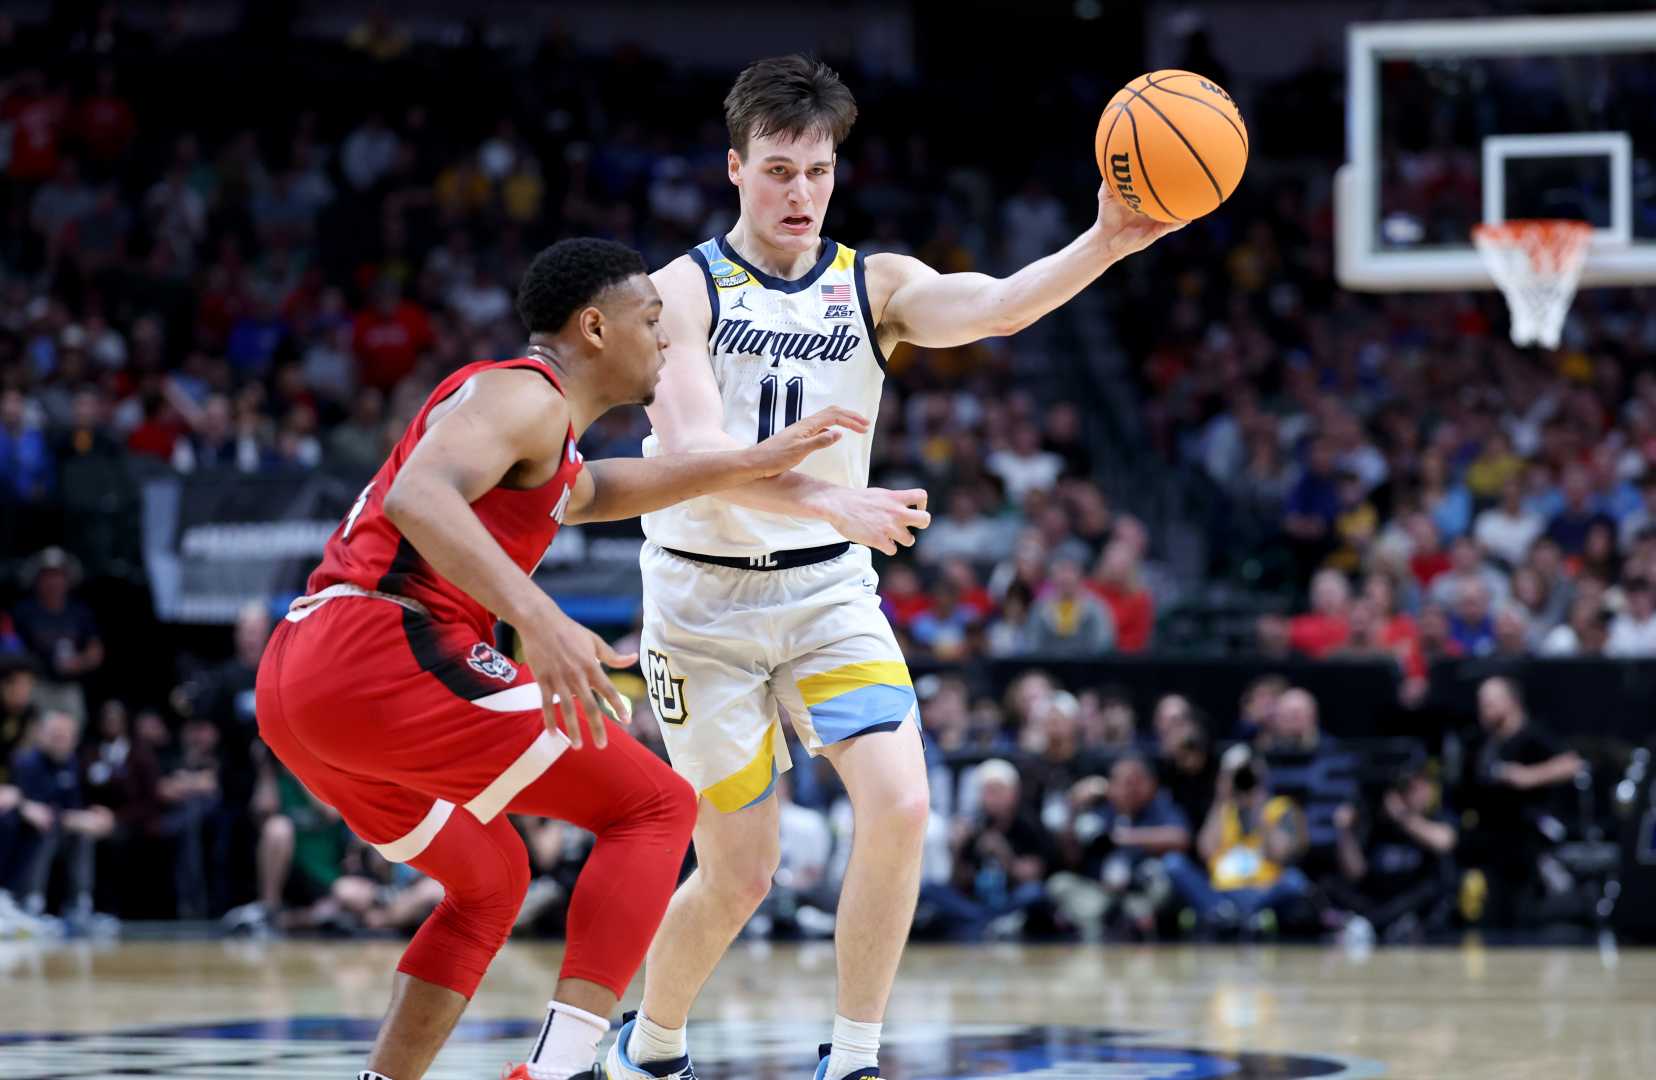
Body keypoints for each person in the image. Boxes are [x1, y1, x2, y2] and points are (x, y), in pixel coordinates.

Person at [629, 54, 1177, 1080]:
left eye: (819, 172)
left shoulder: (872, 283)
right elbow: (694, 460)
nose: (801, 193)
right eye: (780, 171)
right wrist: (832, 494)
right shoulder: (679, 294)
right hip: (704, 603)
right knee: (741, 874)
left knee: (905, 805)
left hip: (829, 589)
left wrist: (1104, 242)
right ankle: (650, 1044)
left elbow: (999, 306)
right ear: (735, 167)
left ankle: (855, 1057)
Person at [254, 237, 859, 1080]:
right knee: (654, 808)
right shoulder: (524, 395)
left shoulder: (531, 428)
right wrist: (540, 621)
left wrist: (748, 462)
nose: (667, 337)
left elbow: (594, 492)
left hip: (301, 687)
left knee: (493, 881)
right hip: (378, 652)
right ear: (595, 328)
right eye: (652, 320)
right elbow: (416, 495)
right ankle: (565, 1066)